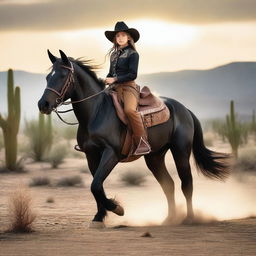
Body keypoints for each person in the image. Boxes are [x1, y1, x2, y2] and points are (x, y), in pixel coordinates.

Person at [104, 21, 151, 155]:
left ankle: (142, 141)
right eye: (117, 36)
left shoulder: (133, 54)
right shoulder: (113, 55)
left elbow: (132, 74)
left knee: (130, 110)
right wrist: (104, 80)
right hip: (114, 87)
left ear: (129, 37)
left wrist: (115, 79)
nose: (120, 38)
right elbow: (110, 73)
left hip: (128, 88)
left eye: (123, 35)